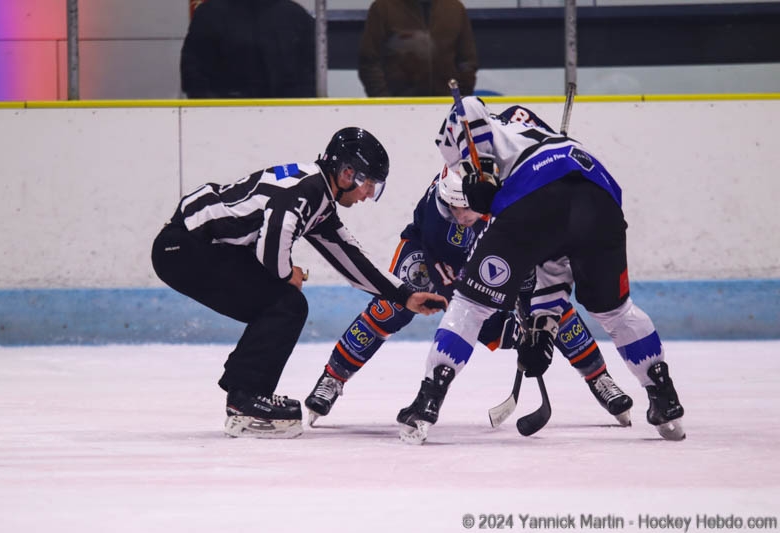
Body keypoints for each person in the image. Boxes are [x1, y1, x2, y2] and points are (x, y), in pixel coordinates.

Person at [397, 99, 686, 443]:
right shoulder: (534, 136)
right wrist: (543, 331)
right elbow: (555, 268)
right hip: (600, 197)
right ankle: (664, 397)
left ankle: (429, 397)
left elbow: (469, 107)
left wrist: (483, 171)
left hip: (532, 194)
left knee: (471, 305)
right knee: (615, 310)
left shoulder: (490, 134)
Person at [151, 127, 447, 439]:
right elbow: (273, 245)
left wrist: (405, 296)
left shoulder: (317, 192)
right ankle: (246, 400)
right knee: (285, 304)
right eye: (368, 183)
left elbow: (350, 257)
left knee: (280, 302)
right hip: (184, 250)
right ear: (347, 173)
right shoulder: (307, 191)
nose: (368, 194)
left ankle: (245, 394)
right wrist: (286, 272)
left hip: (190, 246)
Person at [304, 162, 633, 427]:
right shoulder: (437, 218)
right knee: (390, 309)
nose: (460, 217)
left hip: (501, 247)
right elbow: (459, 298)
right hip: (433, 255)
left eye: (466, 209)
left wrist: (529, 294)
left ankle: (599, 378)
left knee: (550, 308)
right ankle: (332, 379)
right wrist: (503, 332)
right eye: (453, 208)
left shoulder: (515, 201)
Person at [180, 0, 316, 98]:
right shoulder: (210, 13)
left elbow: (312, 72)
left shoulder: (294, 15)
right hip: (222, 117)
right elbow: (193, 73)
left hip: (288, 114)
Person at [358, 0, 478, 97]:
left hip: (447, 104)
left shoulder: (455, 8)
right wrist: (384, 100)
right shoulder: (382, 8)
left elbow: (467, 61)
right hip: (397, 105)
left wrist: (459, 98)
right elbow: (369, 61)